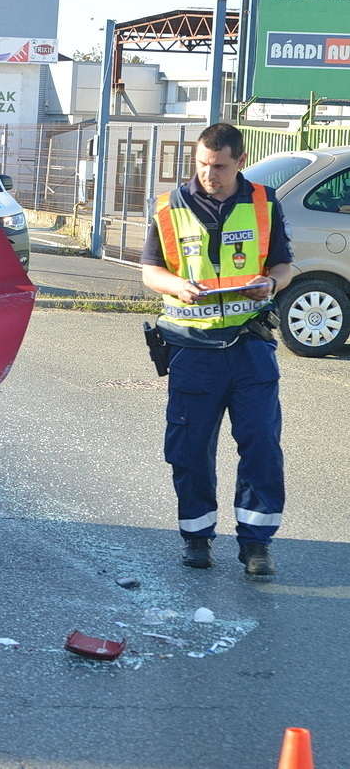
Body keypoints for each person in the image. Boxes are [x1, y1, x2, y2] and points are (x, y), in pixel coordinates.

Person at [140, 123, 294, 576]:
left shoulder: (265, 204)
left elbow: (283, 264)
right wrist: (177, 286)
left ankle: (256, 543)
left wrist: (271, 282)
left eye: (220, 166)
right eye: (204, 165)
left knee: (261, 443)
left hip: (249, 345)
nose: (210, 174)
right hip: (192, 348)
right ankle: (197, 537)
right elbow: (150, 270)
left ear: (240, 161)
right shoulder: (170, 207)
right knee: (189, 449)